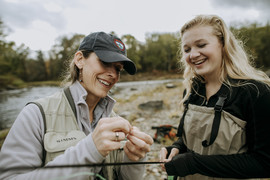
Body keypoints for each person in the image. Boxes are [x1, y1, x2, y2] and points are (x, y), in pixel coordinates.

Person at [0, 32, 153, 180]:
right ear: (80, 59)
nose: (113, 74)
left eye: (118, 69)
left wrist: (134, 160)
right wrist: (89, 150)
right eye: (105, 62)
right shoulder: (36, 114)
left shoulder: (116, 121)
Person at [160, 15, 270, 179]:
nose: (193, 54)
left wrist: (194, 163)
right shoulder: (191, 91)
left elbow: (264, 164)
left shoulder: (255, 92)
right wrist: (176, 148)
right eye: (187, 49)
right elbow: (190, 138)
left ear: (223, 44)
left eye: (201, 45)